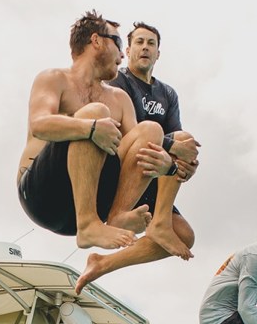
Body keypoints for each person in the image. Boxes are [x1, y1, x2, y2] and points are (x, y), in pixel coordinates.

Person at [17, 10, 178, 253]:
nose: (123, 55)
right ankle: (88, 225)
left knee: (150, 131)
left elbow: (136, 156)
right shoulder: (54, 78)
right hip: (43, 196)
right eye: (119, 43)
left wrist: (168, 166)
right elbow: (39, 125)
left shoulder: (120, 99)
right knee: (97, 114)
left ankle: (117, 215)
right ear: (97, 41)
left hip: (95, 197)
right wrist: (90, 127)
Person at [75, 21, 201, 293]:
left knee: (186, 236)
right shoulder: (116, 81)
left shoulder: (167, 94)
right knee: (162, 135)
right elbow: (115, 129)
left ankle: (103, 263)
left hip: (152, 172)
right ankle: (147, 220)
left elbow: (178, 143)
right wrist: (173, 147)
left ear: (158, 54)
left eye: (151, 43)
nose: (145, 47)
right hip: (121, 164)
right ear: (128, 50)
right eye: (140, 43)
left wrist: (188, 166)